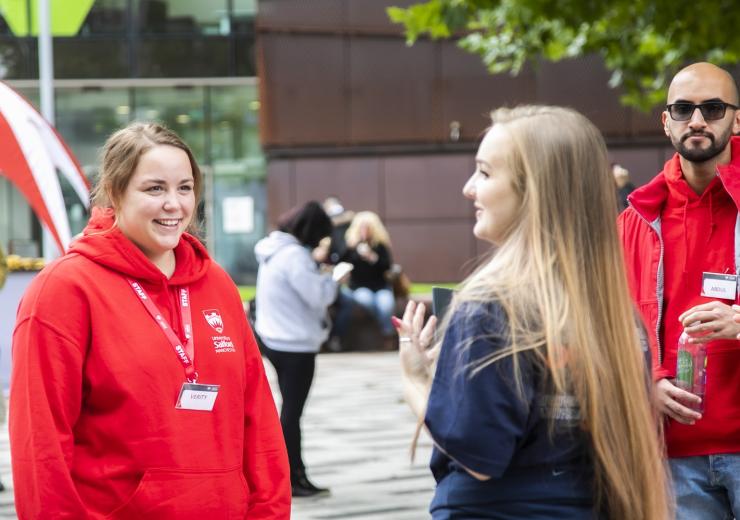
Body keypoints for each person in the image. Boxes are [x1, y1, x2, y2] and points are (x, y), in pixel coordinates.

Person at [397, 105, 670, 519]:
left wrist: (416, 381)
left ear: (535, 192)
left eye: (485, 173)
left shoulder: (492, 304)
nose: (470, 188)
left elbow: (478, 455)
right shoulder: (619, 318)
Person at [9, 122, 291, 519]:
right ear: (114, 190)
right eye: (154, 188)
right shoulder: (64, 290)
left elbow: (258, 421)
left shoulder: (217, 284)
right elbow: (41, 445)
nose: (174, 204)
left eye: (185, 187)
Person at [619, 62, 740, 519]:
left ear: (737, 118)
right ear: (665, 120)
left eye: (712, 108)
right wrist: (646, 383)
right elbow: (610, 327)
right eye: (683, 108)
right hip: (672, 455)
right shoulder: (633, 222)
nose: (697, 120)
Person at [254, 201, 339, 497]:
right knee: (291, 414)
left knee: (289, 411)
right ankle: (291, 478)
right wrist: (332, 278)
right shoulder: (294, 256)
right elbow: (318, 297)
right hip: (295, 345)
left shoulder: (273, 249)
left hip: (275, 338)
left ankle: (292, 476)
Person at [341, 211, 395, 337]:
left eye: (368, 228)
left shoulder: (380, 246)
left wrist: (373, 257)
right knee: (366, 300)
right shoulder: (351, 247)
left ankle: (388, 334)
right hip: (359, 287)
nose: (364, 231)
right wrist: (351, 248)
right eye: (362, 228)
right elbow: (342, 263)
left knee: (386, 305)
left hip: (380, 286)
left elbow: (387, 266)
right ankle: (384, 327)